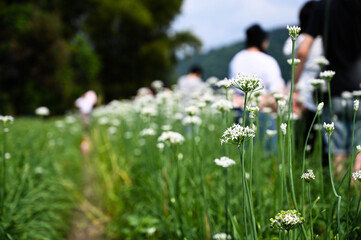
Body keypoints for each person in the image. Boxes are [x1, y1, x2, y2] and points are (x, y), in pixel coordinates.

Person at [296, 0, 361, 172]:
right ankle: (355, 197)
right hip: (359, 84)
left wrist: (294, 85)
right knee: (359, 153)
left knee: (338, 154)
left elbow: (303, 50)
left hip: (335, 89)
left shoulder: (324, 6)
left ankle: (341, 198)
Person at [229, 24, 285, 110]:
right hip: (262, 109)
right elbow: (278, 91)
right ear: (263, 41)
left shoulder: (236, 59)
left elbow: (232, 88)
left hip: (240, 108)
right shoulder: (268, 60)